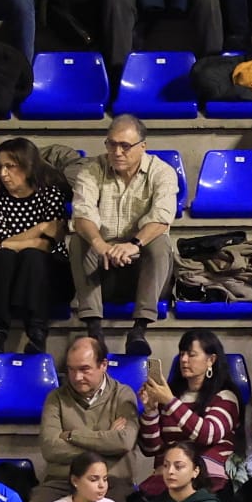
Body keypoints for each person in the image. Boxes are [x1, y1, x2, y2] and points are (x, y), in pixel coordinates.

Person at [68, 116, 178, 355]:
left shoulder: (163, 173)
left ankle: (139, 329)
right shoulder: (91, 170)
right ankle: (94, 328)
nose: (117, 152)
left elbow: (162, 217)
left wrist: (134, 245)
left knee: (160, 243)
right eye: (111, 144)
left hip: (142, 273)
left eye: (125, 146)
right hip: (102, 268)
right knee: (79, 239)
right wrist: (100, 244)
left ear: (143, 146)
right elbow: (82, 213)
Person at [0, 137, 65, 354]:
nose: (3, 173)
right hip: (5, 277)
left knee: (33, 256)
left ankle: (37, 331)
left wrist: (6, 244)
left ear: (27, 165)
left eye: (10, 166)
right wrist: (40, 228)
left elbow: (50, 247)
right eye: (0, 167)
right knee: (3, 258)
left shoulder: (50, 196)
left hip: (43, 277)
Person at [35, 336, 142, 502]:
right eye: (71, 369)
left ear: (103, 365)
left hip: (111, 481)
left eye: (84, 369)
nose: (77, 377)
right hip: (64, 480)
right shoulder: (56, 398)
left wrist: (72, 436)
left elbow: (124, 442)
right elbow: (50, 448)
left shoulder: (123, 394)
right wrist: (107, 442)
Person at [138, 331, 242, 494]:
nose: (184, 360)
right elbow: (151, 449)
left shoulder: (225, 396)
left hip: (210, 480)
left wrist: (170, 402)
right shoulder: (172, 396)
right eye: (182, 354)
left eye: (192, 355)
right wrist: (151, 410)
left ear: (211, 360)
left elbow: (207, 434)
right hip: (170, 478)